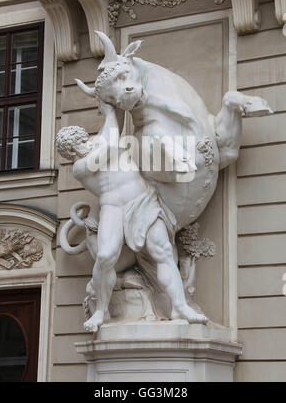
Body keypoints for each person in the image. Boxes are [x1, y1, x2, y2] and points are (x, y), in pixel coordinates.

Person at [56, 100, 207, 332]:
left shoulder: (99, 141)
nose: (74, 148)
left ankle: (180, 306)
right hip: (113, 208)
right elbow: (113, 147)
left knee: (163, 251)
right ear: (68, 154)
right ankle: (100, 311)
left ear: (81, 136)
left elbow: (111, 131)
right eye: (70, 148)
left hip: (142, 200)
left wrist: (108, 109)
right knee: (105, 257)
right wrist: (114, 121)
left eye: (75, 142)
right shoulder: (80, 167)